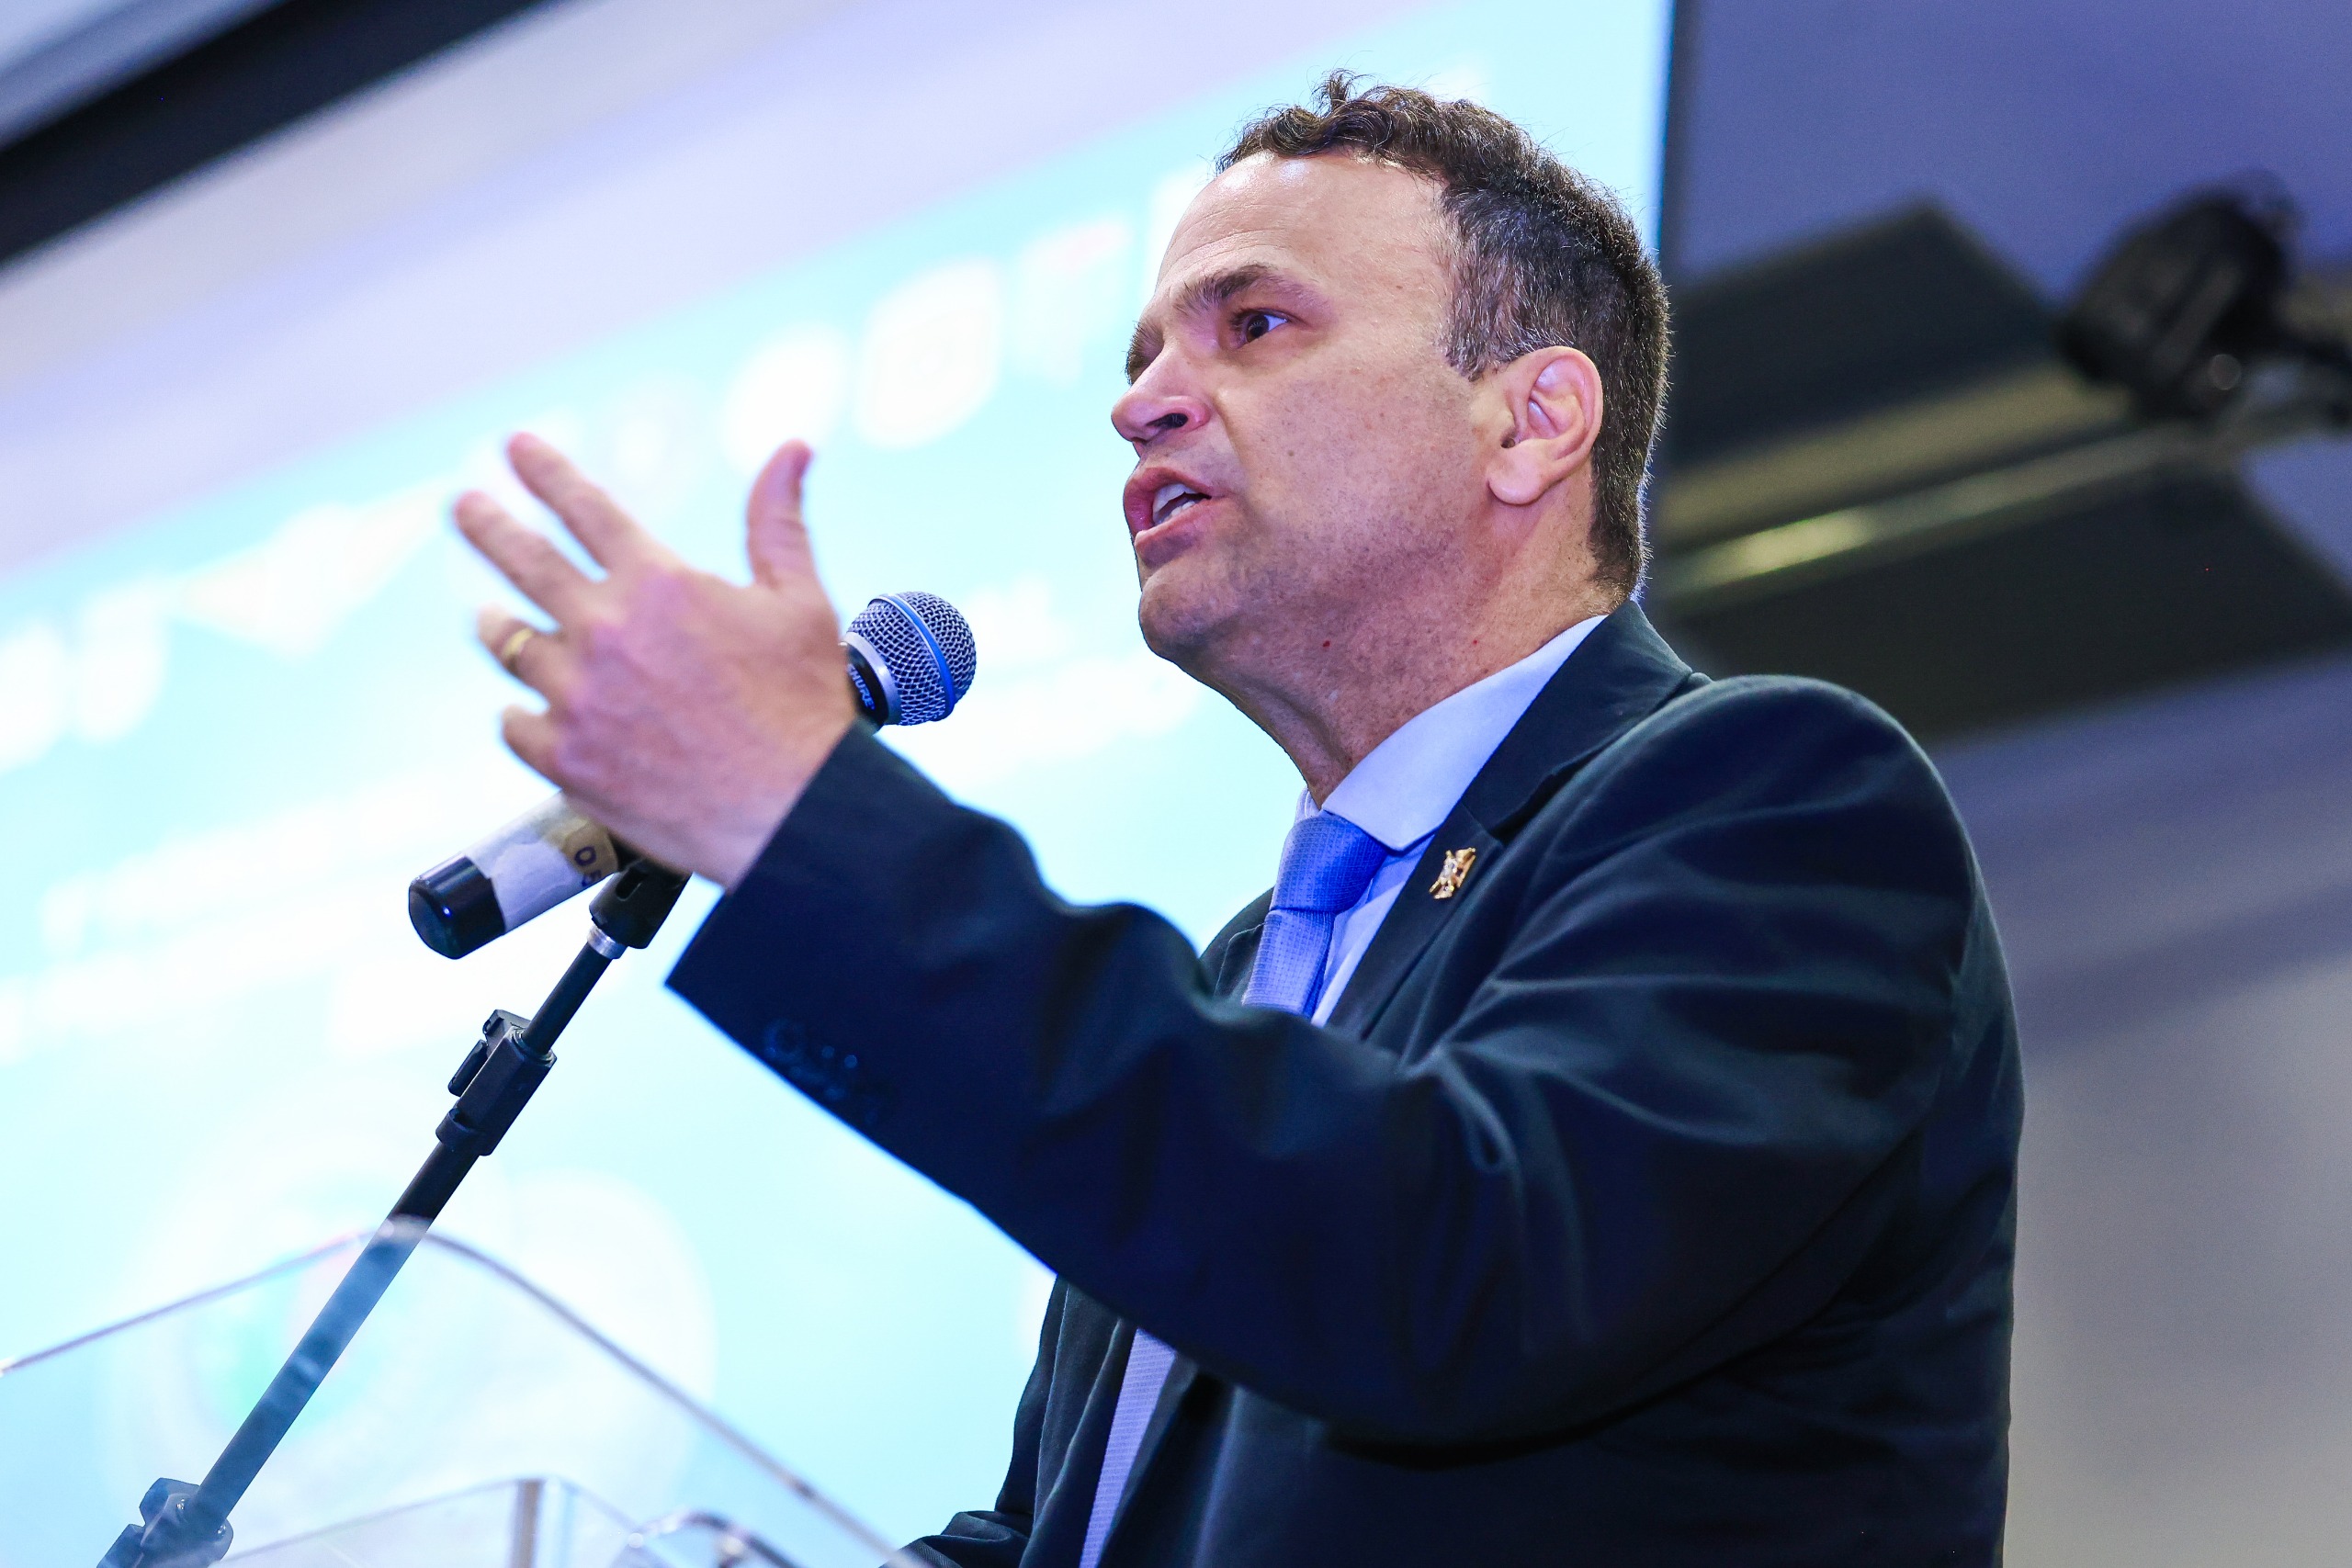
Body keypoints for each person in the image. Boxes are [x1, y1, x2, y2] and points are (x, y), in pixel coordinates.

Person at [454, 74, 2019, 1568]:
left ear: (1533, 421)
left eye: (1255, 325)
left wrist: (808, 820)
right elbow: (1066, 1542)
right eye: (1141, 355)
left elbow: (1447, 1274)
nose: (1139, 405)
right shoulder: (1248, 973)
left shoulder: (1776, 802)